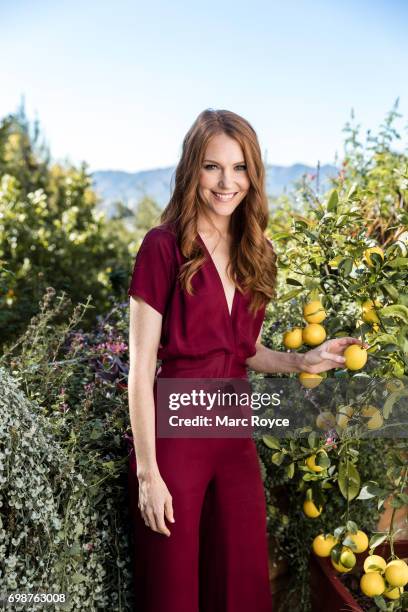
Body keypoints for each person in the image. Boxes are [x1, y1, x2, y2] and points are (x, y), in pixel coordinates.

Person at [127, 108, 367, 612]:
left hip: (234, 440)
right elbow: (140, 367)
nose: (226, 182)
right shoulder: (162, 247)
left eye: (239, 168)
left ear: (253, 175)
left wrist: (302, 362)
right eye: (212, 166)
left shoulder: (257, 251)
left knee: (241, 588)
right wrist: (149, 474)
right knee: (172, 594)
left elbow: (244, 350)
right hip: (176, 440)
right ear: (192, 168)